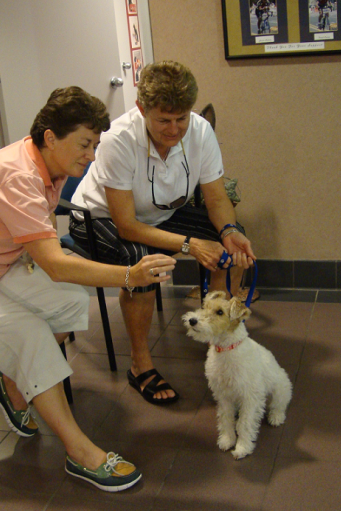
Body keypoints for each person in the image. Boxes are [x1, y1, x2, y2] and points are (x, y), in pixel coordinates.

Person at [0, 86, 176, 492]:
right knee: (29, 332)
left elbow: (43, 243)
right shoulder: (14, 174)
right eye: (85, 144)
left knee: (68, 303)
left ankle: (11, 383)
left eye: (95, 144)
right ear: (51, 137)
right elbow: (55, 263)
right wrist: (128, 275)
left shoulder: (52, 166)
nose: (92, 154)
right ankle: (80, 453)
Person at [69, 61, 256, 406]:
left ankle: (219, 343)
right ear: (142, 109)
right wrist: (188, 244)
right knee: (144, 262)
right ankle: (140, 365)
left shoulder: (200, 131)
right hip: (98, 219)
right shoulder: (118, 140)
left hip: (160, 213)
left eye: (181, 118)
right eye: (164, 120)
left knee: (229, 244)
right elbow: (126, 226)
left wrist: (228, 229)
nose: (174, 129)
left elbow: (216, 197)